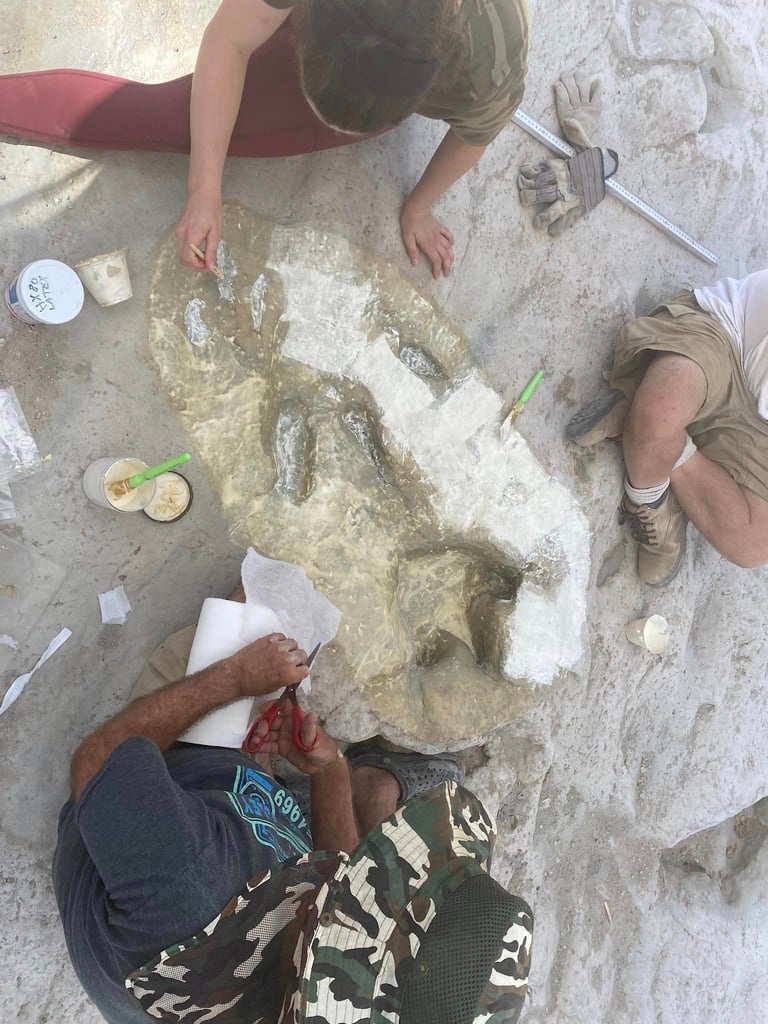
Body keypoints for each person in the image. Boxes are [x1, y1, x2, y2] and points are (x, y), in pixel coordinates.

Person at [53, 582, 534, 1024]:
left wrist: (233, 679)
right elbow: (350, 890)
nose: (383, 883)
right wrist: (329, 770)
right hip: (231, 842)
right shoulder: (347, 995)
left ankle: (356, 780)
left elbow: (96, 762)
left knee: (263, 601)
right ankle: (366, 784)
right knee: (368, 786)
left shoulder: (191, 882)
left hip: (155, 790)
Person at [0, 0, 529, 281]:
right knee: (162, 118)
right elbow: (230, 38)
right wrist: (203, 187)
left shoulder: (492, 62)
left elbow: (476, 134)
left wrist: (420, 206)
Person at [565, 271, 768, 586]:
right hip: (728, 338)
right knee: (663, 409)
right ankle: (651, 497)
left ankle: (648, 429)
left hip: (759, 426)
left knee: (752, 544)